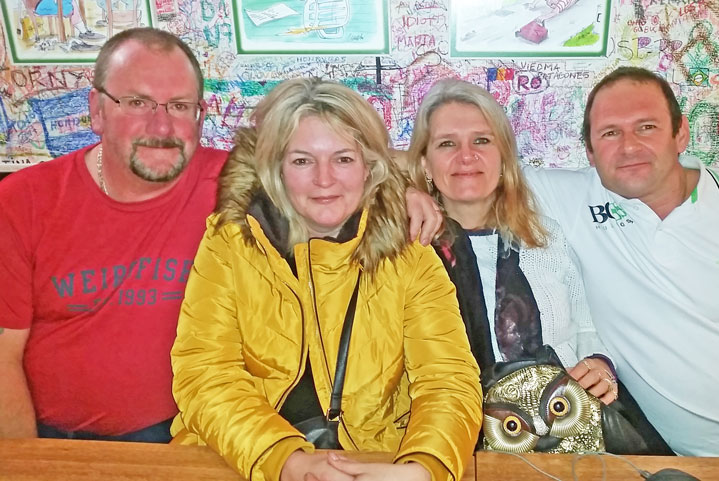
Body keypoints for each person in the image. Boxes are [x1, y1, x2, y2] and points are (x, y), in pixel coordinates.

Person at [0, 27, 441, 443]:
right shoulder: (24, 200)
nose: (161, 127)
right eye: (137, 103)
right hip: (58, 436)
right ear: (96, 110)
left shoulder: (229, 180)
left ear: (199, 114)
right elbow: (3, 359)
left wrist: (399, 191)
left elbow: (331, 155)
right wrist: (25, 460)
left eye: (178, 106)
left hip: (198, 431)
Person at [169, 78, 482, 481]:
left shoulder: (410, 251)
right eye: (302, 161)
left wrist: (424, 467)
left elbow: (448, 378)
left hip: (373, 458)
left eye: (343, 159)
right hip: (242, 453)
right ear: (275, 168)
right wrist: (282, 459)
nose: (324, 179)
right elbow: (205, 373)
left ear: (370, 168)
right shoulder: (230, 241)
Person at [524, 66, 719, 457]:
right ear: (589, 150)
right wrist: (415, 194)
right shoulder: (571, 198)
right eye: (610, 132)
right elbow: (463, 167)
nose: (629, 146)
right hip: (678, 460)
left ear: (680, 133)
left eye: (647, 127)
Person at [405, 79, 618, 405]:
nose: (466, 156)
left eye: (481, 140)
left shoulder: (545, 236)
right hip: (445, 431)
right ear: (424, 164)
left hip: (556, 429)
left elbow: (586, 328)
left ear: (504, 160)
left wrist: (599, 365)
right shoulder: (407, 247)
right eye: (447, 144)